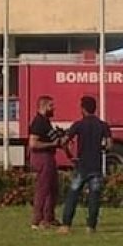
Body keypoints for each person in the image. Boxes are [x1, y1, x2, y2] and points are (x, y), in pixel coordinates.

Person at [59, 95, 111, 235]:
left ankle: (66, 225)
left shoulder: (78, 125)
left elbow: (64, 141)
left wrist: (69, 154)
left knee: (73, 195)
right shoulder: (103, 125)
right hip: (96, 165)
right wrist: (101, 149)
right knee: (94, 197)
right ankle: (91, 227)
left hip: (82, 165)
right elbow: (109, 145)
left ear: (83, 109)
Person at [27, 95, 63, 229]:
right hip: (42, 157)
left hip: (49, 157)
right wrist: (51, 144)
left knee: (52, 188)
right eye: (51, 106)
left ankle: (49, 217)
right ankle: (37, 220)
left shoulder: (46, 121)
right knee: (43, 188)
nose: (54, 108)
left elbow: (53, 140)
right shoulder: (38, 122)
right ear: (43, 106)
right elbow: (33, 143)